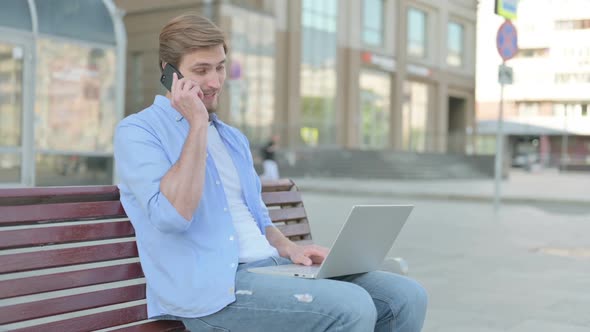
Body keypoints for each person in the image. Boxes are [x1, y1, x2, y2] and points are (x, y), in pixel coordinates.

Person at [114, 13, 427, 332]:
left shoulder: (232, 138)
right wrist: (196, 126)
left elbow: (259, 218)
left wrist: (291, 248)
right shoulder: (139, 131)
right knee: (350, 306)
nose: (215, 81)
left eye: (220, 67)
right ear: (169, 74)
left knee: (405, 296)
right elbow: (173, 216)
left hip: (270, 269)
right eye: (201, 70)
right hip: (210, 290)